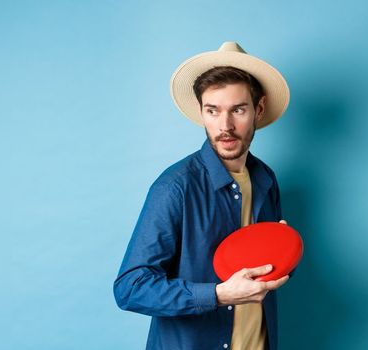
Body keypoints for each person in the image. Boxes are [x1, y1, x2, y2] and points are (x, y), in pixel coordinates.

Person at [113, 42, 294, 350]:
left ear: (258, 109)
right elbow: (130, 289)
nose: (225, 126)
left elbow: (262, 270)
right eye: (213, 111)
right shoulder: (174, 187)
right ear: (202, 112)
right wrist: (219, 295)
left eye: (237, 110)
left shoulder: (265, 179)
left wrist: (282, 250)